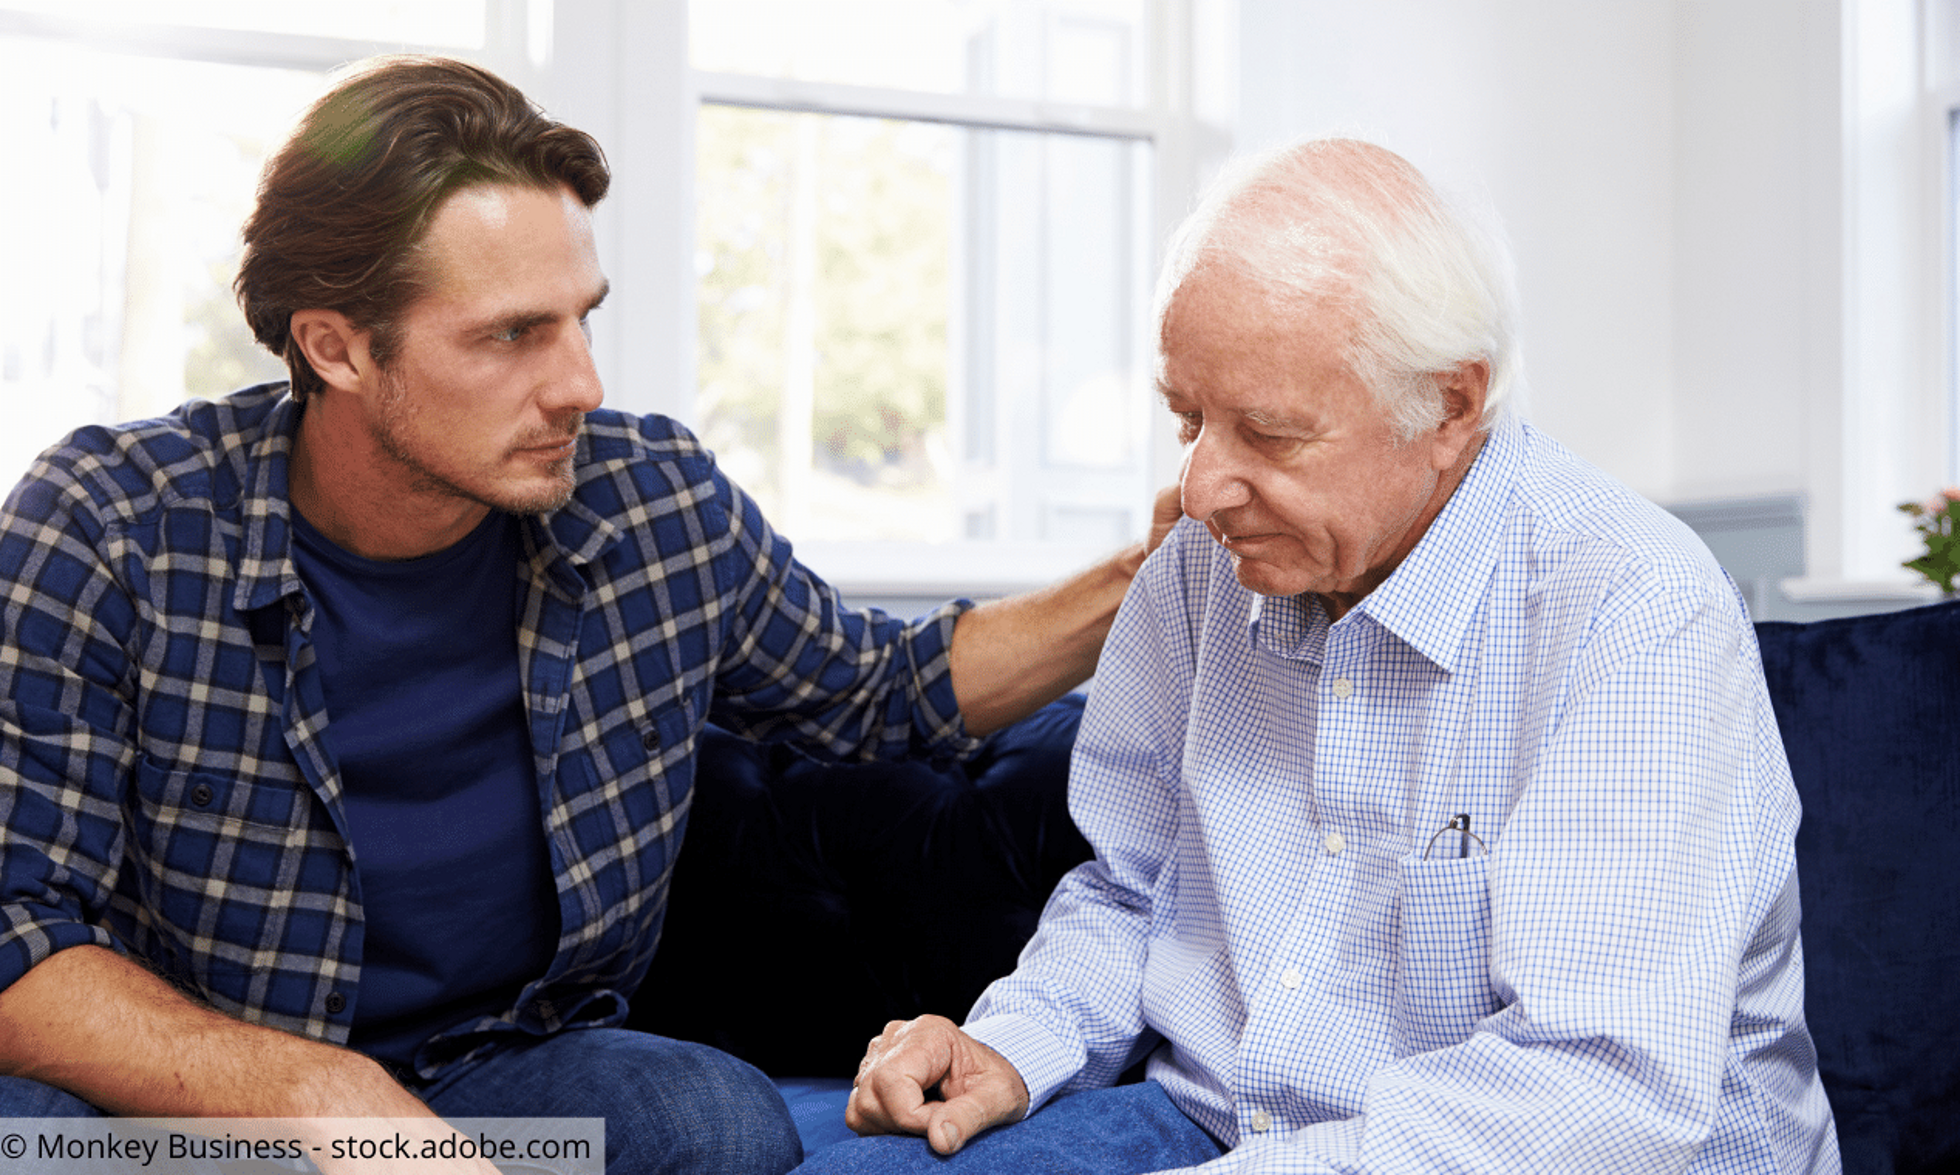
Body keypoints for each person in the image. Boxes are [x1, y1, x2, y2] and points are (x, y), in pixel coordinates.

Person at [0, 56, 1170, 1175]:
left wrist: (1153, 569)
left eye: (580, 318)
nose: (580, 384)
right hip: (205, 1111)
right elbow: (17, 933)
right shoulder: (110, 524)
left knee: (708, 1120)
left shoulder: (650, 503)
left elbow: (884, 689)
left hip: (500, 1099)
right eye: (513, 334)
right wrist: (320, 1096)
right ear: (337, 346)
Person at [824, 138, 1842, 1173]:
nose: (1203, 485)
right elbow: (1133, 891)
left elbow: (1596, 1087)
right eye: (1188, 418)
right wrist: (1015, 1041)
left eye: (1267, 434)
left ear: (1448, 407)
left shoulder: (1635, 609)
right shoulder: (1195, 568)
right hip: (1222, 1121)